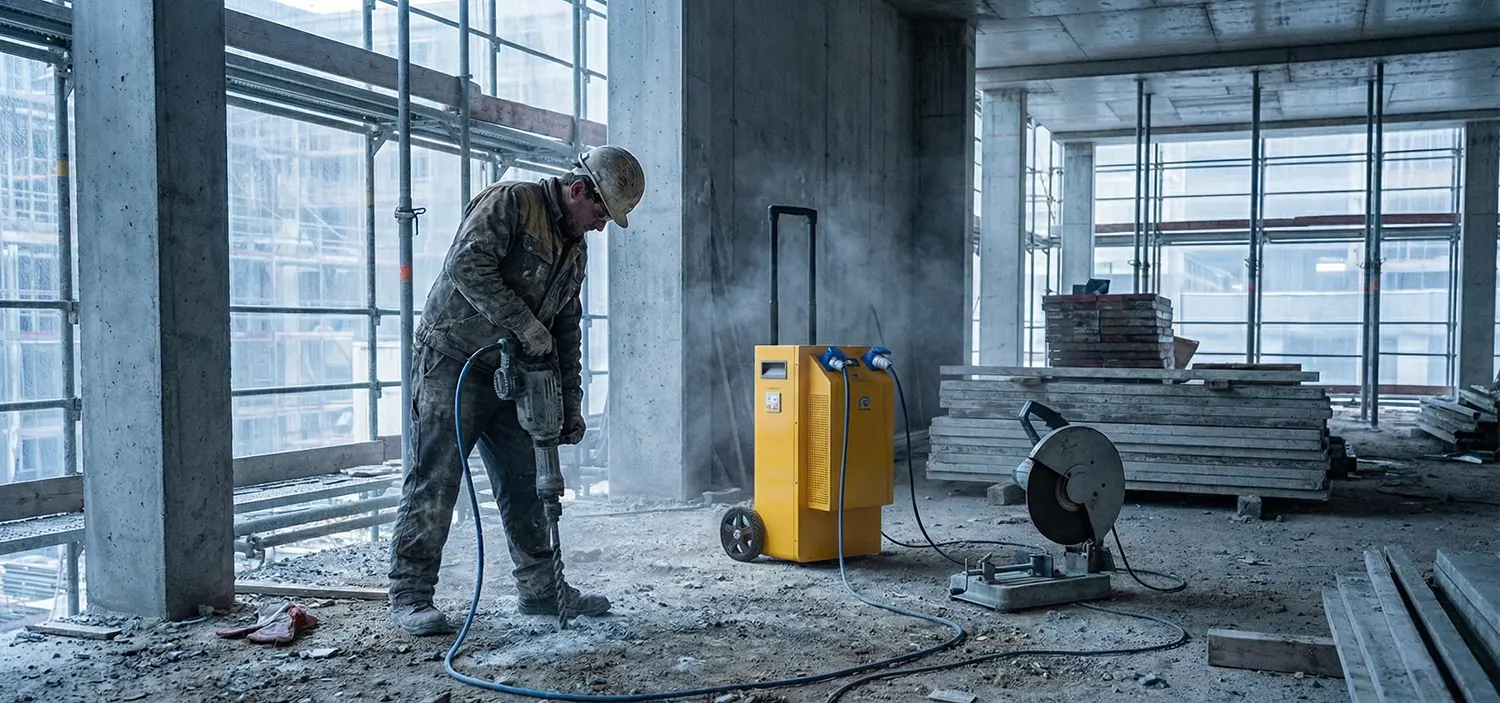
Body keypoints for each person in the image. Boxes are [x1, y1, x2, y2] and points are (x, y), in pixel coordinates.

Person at [387, 145, 645, 636]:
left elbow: (567, 327)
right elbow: (468, 267)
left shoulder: (574, 246)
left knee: (528, 481)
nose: (600, 226)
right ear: (577, 191)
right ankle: (410, 595)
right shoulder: (512, 203)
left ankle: (542, 590)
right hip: (453, 361)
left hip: (511, 373)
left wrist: (571, 404)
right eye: (600, 213)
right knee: (435, 477)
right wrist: (524, 325)